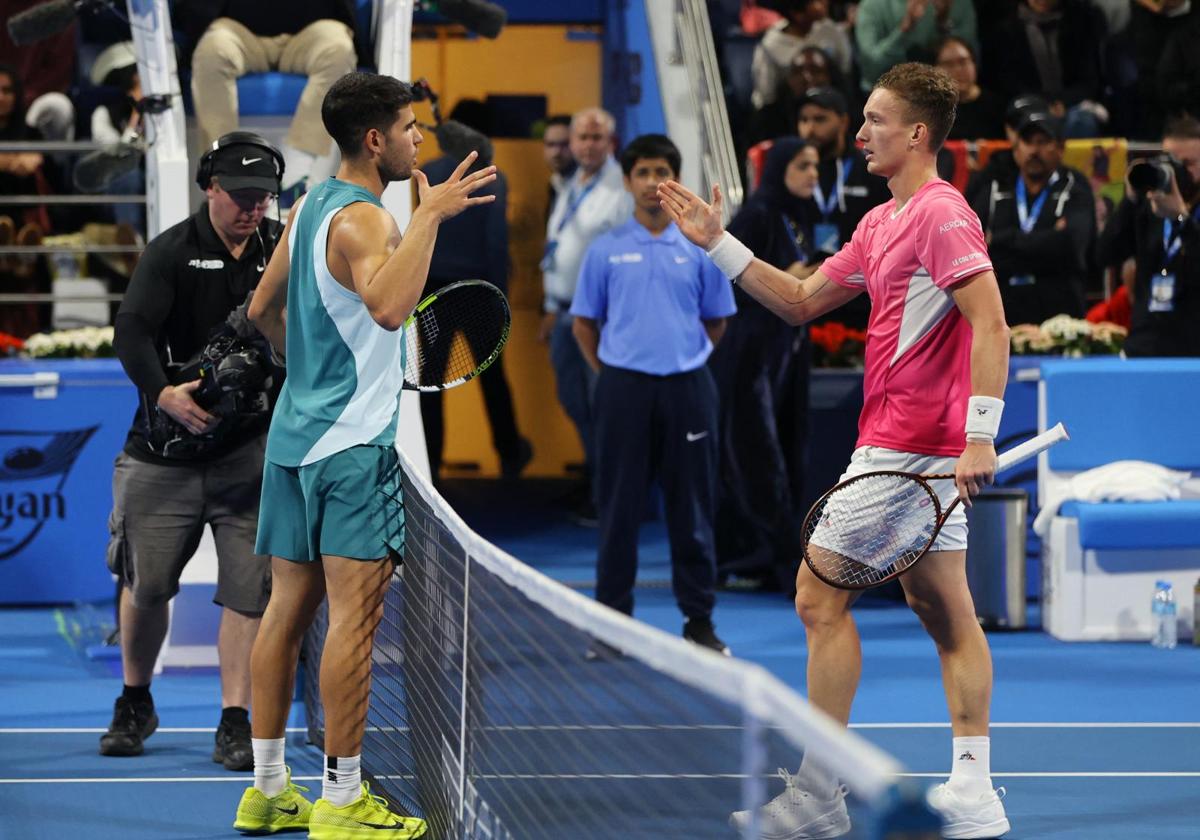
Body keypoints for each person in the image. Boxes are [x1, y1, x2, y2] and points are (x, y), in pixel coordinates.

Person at [660, 62, 1012, 838]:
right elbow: (800, 301)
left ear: (917, 133)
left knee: (818, 600)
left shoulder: (942, 214)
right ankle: (975, 792)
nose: (859, 135)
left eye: (875, 121)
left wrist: (981, 432)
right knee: (944, 610)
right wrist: (719, 244)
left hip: (908, 446)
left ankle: (820, 793)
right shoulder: (881, 222)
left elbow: (991, 323)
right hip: (902, 441)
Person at [236, 71, 495, 837]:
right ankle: (342, 804)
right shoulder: (368, 221)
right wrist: (434, 215)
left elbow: (260, 309)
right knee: (355, 621)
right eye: (410, 127)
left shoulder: (308, 204)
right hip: (352, 453)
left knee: (286, 613)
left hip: (293, 442)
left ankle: (269, 791)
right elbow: (387, 310)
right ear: (375, 139)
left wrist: (312, 375)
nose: (420, 140)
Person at [98, 132, 286, 771]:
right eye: (239, 196)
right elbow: (131, 333)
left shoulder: (282, 247)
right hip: (161, 454)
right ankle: (136, 699)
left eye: (262, 197)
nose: (251, 208)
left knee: (247, 594)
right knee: (146, 587)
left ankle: (236, 719)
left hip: (249, 456)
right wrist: (164, 394)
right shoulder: (171, 251)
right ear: (209, 187)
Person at [570, 133, 736, 654]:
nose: (649, 183)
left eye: (659, 172)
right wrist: (617, 371)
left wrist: (681, 362)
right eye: (640, 173)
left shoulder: (703, 249)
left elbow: (716, 322)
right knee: (617, 509)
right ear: (626, 180)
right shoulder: (604, 250)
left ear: (674, 180)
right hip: (622, 391)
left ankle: (699, 624)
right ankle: (612, 625)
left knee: (693, 510)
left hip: (688, 388)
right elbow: (583, 325)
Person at [708, 137, 820, 592]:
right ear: (778, 169)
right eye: (803, 165)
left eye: (816, 165)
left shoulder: (798, 215)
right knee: (754, 454)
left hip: (784, 351)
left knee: (785, 449)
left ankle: (771, 553)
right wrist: (787, 280)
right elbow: (721, 277)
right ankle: (756, 553)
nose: (813, 173)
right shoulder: (756, 215)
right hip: (750, 355)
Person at [418, 100, 532, 481]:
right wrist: (501, 297)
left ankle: (428, 464)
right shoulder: (492, 178)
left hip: (431, 292)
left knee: (429, 382)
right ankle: (510, 454)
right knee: (493, 377)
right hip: (479, 290)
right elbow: (496, 244)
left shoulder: (427, 175)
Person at [540, 107, 632, 524]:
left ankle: (612, 496)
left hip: (601, 319)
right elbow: (557, 248)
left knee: (605, 406)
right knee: (575, 402)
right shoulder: (570, 183)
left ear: (610, 142)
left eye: (597, 138)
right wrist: (548, 305)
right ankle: (598, 480)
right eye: (582, 137)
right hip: (563, 313)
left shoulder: (621, 188)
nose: (588, 145)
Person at [189, 1, 363, 202]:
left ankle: (295, 176)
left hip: (313, 29)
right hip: (238, 30)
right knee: (211, 51)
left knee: (339, 49)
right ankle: (225, 171)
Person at [969, 110, 1095, 325]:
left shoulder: (1075, 186)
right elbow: (973, 247)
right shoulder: (996, 187)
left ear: (1060, 148)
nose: (1034, 150)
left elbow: (1074, 245)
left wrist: (1000, 240)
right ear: (1016, 149)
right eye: (1027, 142)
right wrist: (1049, 239)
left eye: (1043, 142)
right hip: (1003, 312)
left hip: (1060, 314)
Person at [1098, 114, 1200, 356]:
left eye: (1188, 164)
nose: (1178, 172)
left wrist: (1181, 219)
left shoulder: (1183, 215)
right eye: (1171, 162)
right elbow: (1104, 254)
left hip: (1193, 349)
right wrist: (1130, 200)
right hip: (1145, 345)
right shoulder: (1149, 208)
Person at [796, 85, 890, 326]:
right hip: (806, 287)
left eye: (820, 119)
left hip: (860, 293)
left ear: (844, 121)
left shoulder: (870, 168)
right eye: (804, 120)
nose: (810, 128)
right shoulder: (791, 172)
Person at [854, 0, 978, 91]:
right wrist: (904, 29)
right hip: (883, 92)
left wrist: (942, 21)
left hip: (935, 92)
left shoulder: (946, 4)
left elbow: (965, 53)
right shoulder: (871, 6)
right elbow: (873, 65)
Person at [751, 1, 853, 110]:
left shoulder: (829, 29)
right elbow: (767, 95)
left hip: (831, 102)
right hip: (787, 109)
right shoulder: (770, 46)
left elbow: (845, 69)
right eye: (815, 1)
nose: (824, 2)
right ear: (797, 13)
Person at [936, 35, 1006, 142]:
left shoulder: (998, 107)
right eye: (949, 64)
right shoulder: (931, 110)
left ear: (974, 63)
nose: (958, 70)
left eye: (963, 62)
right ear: (935, 69)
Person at [542, 113, 576, 217]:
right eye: (550, 144)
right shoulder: (555, 183)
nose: (556, 152)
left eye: (564, 144)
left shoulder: (585, 186)